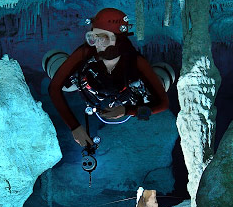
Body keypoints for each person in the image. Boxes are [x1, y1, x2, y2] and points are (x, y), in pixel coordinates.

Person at [46, 8, 171, 149]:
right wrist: (74, 127)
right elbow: (54, 88)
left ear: (118, 39)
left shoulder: (134, 60)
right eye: (93, 37)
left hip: (126, 96)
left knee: (158, 85)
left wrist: (128, 110)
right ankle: (57, 61)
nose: (97, 44)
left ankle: (161, 73)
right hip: (88, 90)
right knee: (63, 81)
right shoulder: (86, 51)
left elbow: (163, 103)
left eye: (103, 38)